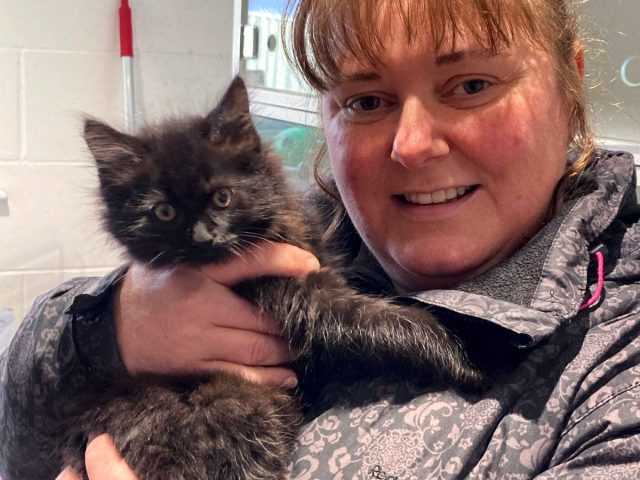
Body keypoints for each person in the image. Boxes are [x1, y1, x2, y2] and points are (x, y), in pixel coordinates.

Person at [2, 0, 640, 478]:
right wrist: (103, 331)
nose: (413, 145)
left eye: (471, 85)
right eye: (366, 100)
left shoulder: (616, 364)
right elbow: (19, 432)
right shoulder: (315, 228)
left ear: (570, 84)